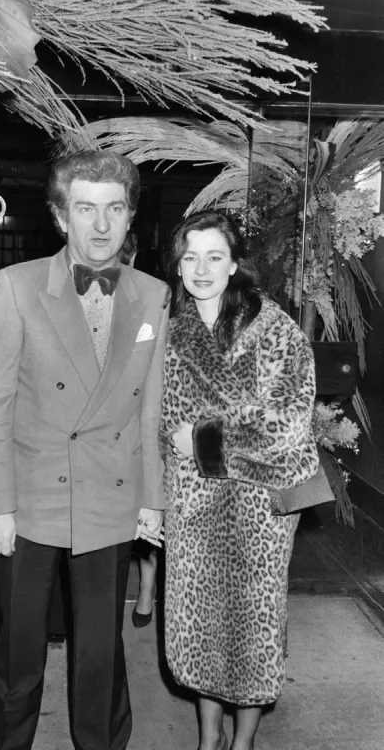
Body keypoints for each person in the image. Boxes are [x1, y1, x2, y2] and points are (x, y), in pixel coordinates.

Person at [0, 150, 169, 750]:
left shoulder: (154, 294)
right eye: (86, 209)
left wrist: (151, 501)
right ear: (62, 217)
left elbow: (150, 410)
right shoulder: (18, 286)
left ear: (130, 215)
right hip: (31, 501)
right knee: (21, 651)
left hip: (110, 498)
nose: (101, 226)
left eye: (114, 209)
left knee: (100, 655)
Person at [160, 210, 319, 750]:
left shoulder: (275, 329)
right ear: (178, 265)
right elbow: (155, 421)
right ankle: (209, 738)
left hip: (258, 510)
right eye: (190, 257)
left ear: (234, 266)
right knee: (201, 625)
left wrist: (204, 440)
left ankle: (244, 741)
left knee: (252, 630)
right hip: (193, 506)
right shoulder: (171, 331)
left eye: (214, 257)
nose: (201, 269)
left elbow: (289, 424)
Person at [119, 231, 159, 628]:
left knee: (147, 516)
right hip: (105, 433)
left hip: (147, 424)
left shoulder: (153, 299)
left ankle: (146, 588)